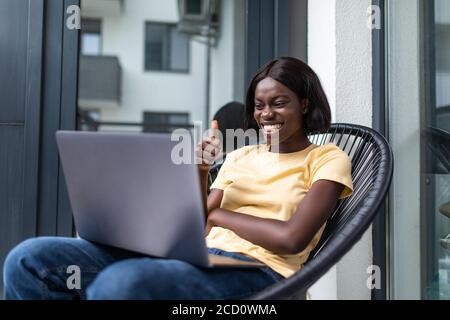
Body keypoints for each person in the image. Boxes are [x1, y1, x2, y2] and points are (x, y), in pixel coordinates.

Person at [3, 57, 353, 300]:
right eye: (259, 105)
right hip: (199, 257)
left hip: (258, 271)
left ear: (305, 105)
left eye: (279, 103)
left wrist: (219, 216)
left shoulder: (326, 158)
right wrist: (200, 172)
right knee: (30, 260)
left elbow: (292, 239)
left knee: (124, 284)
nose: (266, 114)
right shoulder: (241, 155)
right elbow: (198, 225)